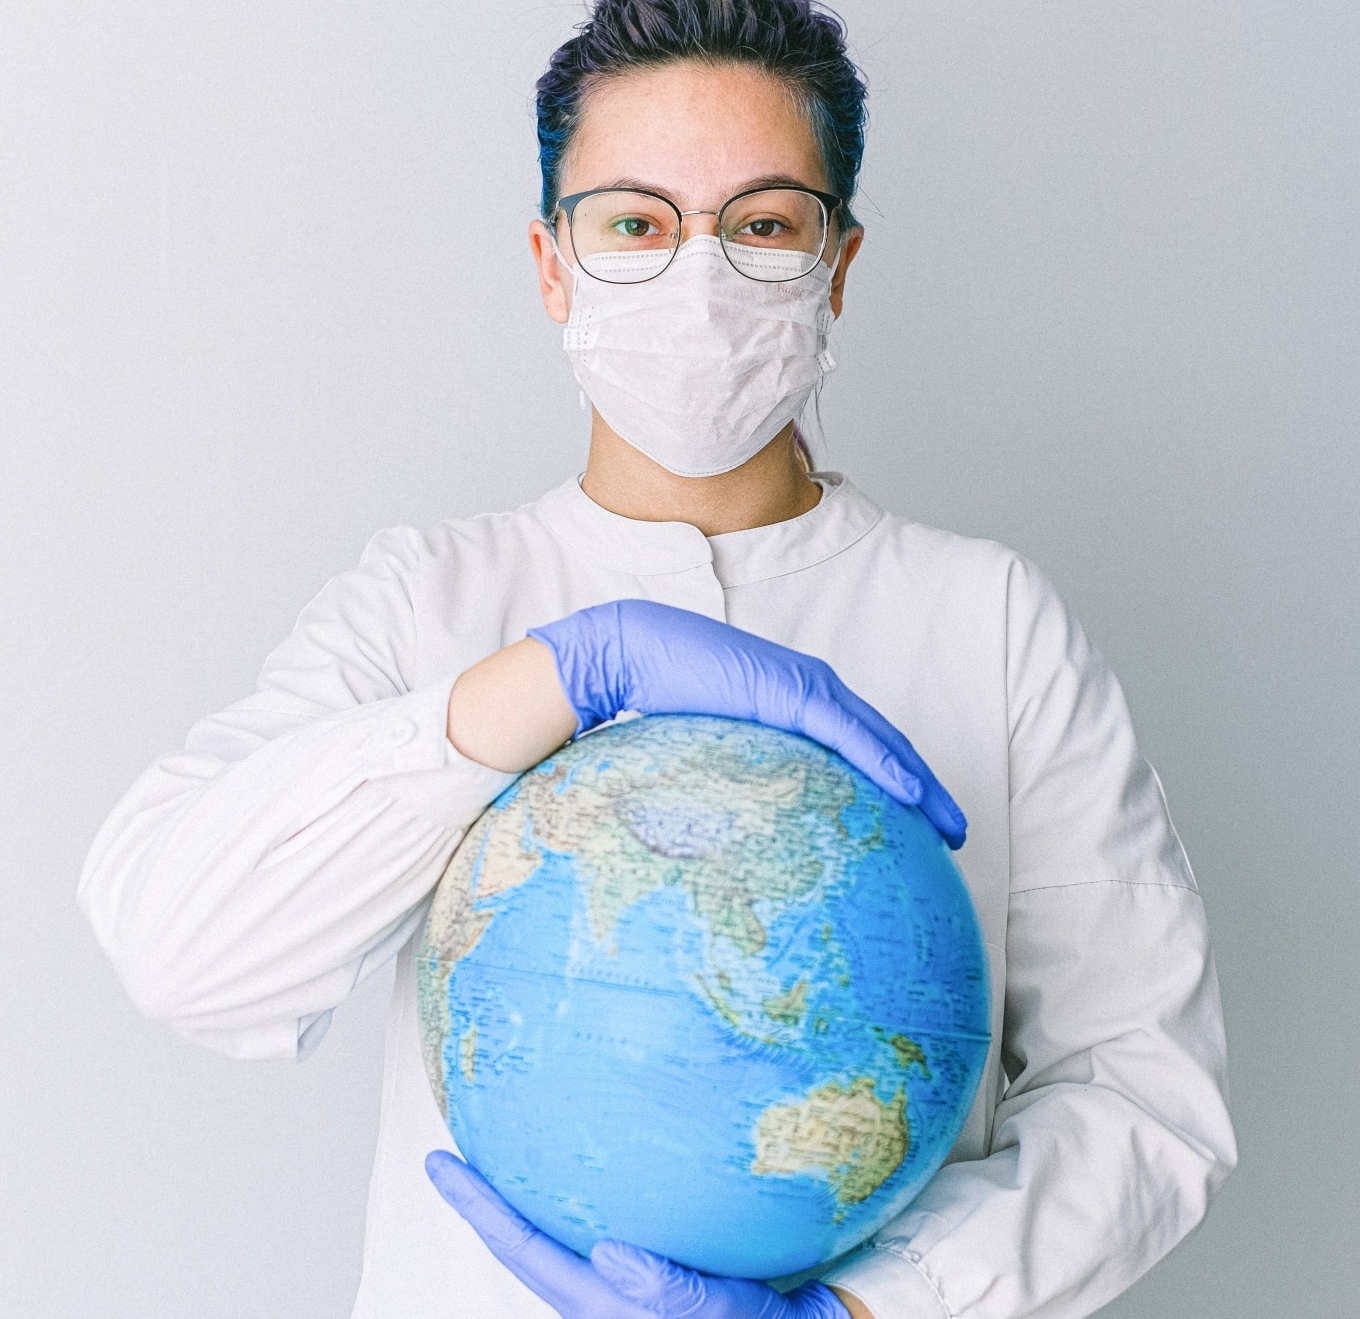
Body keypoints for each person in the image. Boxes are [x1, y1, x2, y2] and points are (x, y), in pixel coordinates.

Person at [78, 2, 1237, 1316]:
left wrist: (865, 1316)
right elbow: (177, 943)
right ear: (551, 263)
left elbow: (1148, 1096)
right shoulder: (427, 602)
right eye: (634, 222)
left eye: (762, 223)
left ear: (837, 263)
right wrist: (549, 681)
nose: (698, 274)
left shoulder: (993, 619)